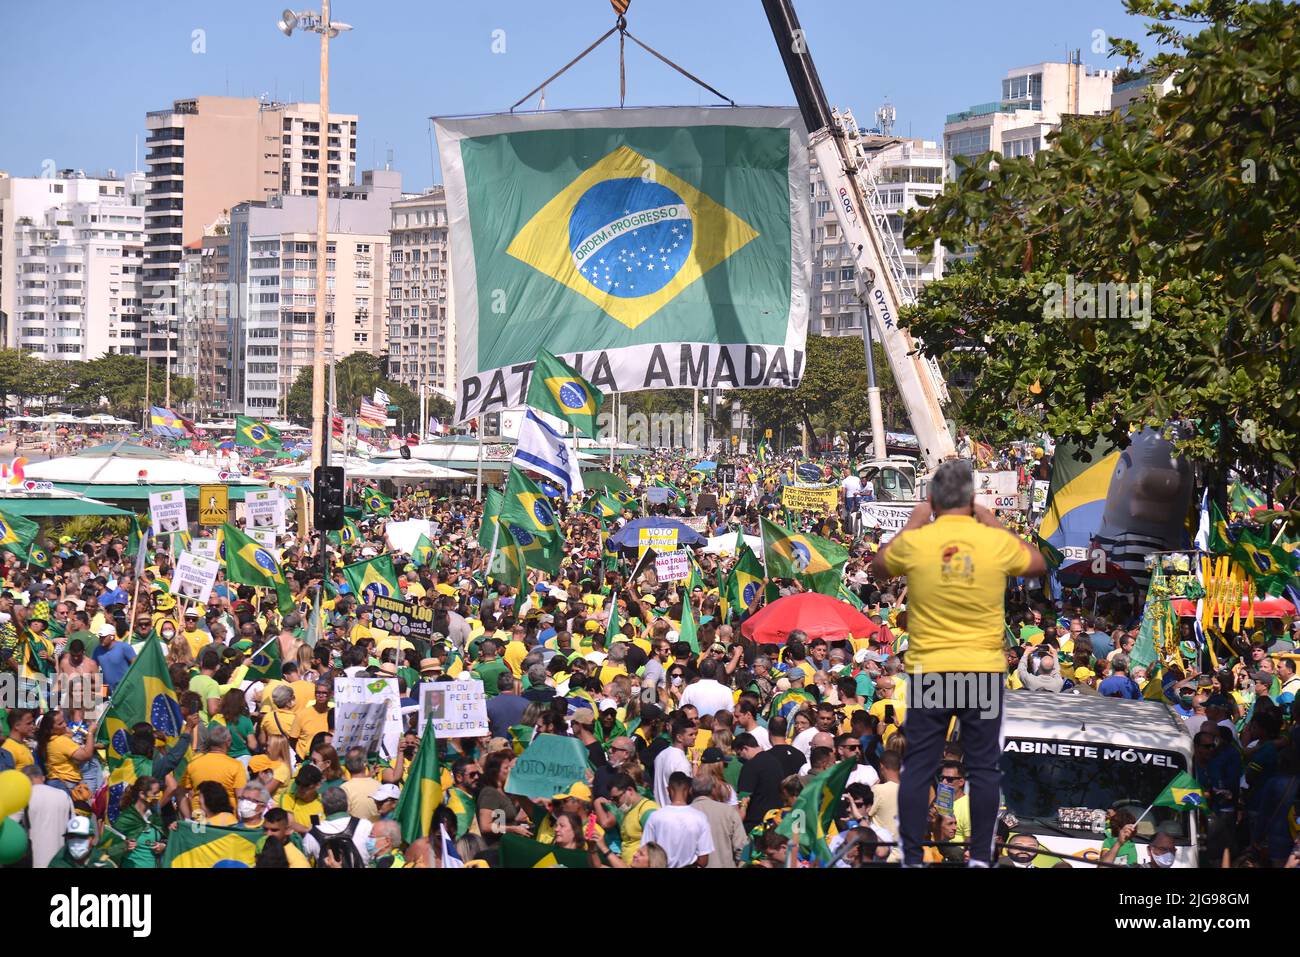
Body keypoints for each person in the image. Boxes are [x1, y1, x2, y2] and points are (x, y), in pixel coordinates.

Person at [870, 458, 1045, 867]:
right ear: (971, 500)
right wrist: (991, 520)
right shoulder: (991, 541)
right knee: (983, 767)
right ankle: (981, 856)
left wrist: (914, 521)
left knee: (918, 766)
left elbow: (878, 568)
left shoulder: (918, 540)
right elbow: (1037, 563)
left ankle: (912, 855)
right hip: (981, 673)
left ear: (931, 500)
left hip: (931, 671)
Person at [639, 771, 713, 868]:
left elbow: (646, 851)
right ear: (689, 790)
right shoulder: (700, 817)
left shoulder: (655, 817)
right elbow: (703, 860)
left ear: (668, 789)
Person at [689, 773, 747, 868]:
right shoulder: (728, 811)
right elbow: (742, 847)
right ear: (714, 790)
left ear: (691, 791)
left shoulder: (685, 813)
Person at [652, 714, 696, 807]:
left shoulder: (661, 755)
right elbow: (686, 793)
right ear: (679, 737)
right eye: (690, 734)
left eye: (695, 734)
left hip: (659, 810)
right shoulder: (681, 763)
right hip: (674, 813)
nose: (694, 737)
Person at [47, 814, 116, 869]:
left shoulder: (104, 864)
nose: (76, 842)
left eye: (82, 837)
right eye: (72, 837)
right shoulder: (57, 863)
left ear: (93, 838)